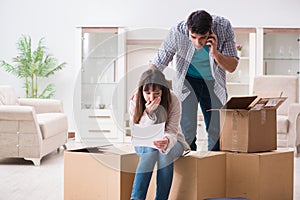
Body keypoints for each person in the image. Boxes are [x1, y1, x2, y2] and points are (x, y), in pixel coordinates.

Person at [150, 10, 239, 151]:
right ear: (188, 30)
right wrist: (142, 88)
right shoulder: (177, 33)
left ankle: (214, 167)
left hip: (213, 82)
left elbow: (232, 66)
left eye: (203, 38)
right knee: (187, 131)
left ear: (210, 31)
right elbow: (158, 63)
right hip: (187, 81)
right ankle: (191, 169)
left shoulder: (223, 27)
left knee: (216, 131)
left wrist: (215, 52)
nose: (198, 43)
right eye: (193, 37)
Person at [129, 68, 190, 200]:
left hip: (173, 141)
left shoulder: (173, 100)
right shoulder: (136, 100)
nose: (151, 98)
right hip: (144, 143)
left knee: (164, 153)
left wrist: (167, 140)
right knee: (150, 152)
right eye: (147, 93)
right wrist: (148, 113)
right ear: (141, 91)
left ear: (163, 90)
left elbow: (173, 130)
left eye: (156, 93)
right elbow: (138, 132)